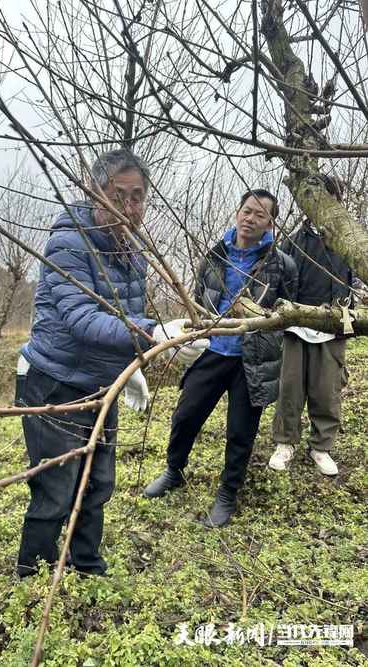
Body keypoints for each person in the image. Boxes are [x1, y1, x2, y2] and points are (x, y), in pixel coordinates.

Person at [16, 148, 205, 577]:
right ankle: (32, 573)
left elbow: (122, 317)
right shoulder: (67, 243)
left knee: (98, 483)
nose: (130, 207)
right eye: (119, 196)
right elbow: (84, 318)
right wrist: (154, 334)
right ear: (95, 193)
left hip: (103, 385)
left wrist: (134, 364)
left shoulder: (132, 252)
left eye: (138, 197)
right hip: (55, 383)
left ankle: (86, 565)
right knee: (56, 487)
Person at [143, 189, 298, 528]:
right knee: (185, 414)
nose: (250, 218)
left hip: (252, 358)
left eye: (260, 215)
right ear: (237, 213)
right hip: (214, 351)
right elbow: (199, 298)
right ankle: (174, 470)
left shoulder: (281, 264)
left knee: (241, 431)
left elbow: (288, 312)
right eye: (246, 211)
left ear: (271, 223)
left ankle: (227, 494)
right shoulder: (215, 255)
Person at [268, 184, 354, 476]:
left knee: (327, 390)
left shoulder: (349, 240)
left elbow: (357, 280)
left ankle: (321, 447)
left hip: (334, 325)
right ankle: (285, 443)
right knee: (290, 387)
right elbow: (279, 278)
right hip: (298, 325)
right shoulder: (294, 241)